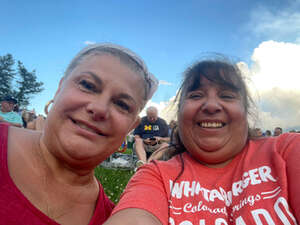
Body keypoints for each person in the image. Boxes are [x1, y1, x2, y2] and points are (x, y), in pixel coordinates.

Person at [104, 58, 300, 224]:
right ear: (180, 114)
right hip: (146, 146)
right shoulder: (156, 176)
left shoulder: (287, 150)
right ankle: (140, 159)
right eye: (196, 95)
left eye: (227, 95)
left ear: (245, 112)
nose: (212, 105)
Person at [0, 43, 158, 225]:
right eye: (87, 85)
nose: (99, 108)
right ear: (59, 88)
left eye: (122, 104)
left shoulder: (112, 219)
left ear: (131, 126)